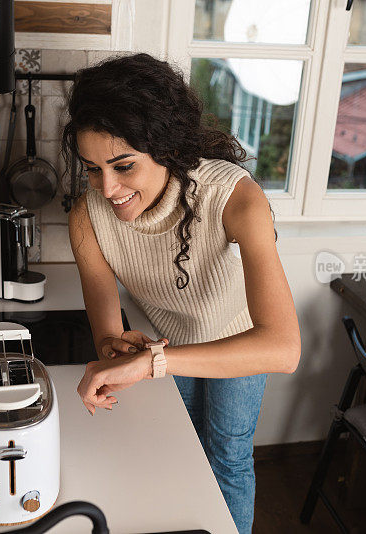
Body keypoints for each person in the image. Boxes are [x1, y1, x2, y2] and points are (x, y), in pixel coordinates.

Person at [61, 53, 301, 534]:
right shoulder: (88, 218)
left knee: (228, 456)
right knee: (178, 450)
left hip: (239, 340)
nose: (107, 188)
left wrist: (151, 363)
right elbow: (109, 336)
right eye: (92, 169)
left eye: (124, 166)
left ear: (165, 148)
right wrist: (115, 354)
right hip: (165, 340)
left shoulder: (236, 198)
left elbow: (283, 348)